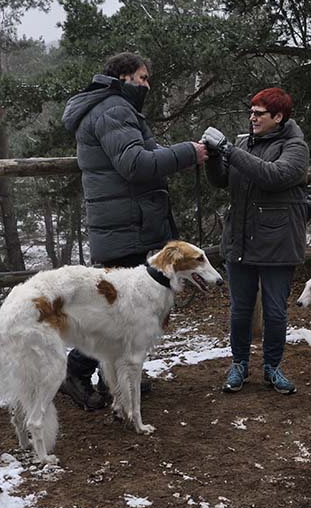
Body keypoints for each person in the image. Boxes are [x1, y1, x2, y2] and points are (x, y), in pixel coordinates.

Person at [60, 52, 209, 410]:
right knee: (114, 311)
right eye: (142, 78)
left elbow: (141, 153)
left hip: (125, 222)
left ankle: (114, 377)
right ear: (123, 77)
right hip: (125, 224)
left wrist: (173, 153)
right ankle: (75, 372)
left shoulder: (110, 107)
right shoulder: (114, 109)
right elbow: (134, 163)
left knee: (118, 309)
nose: (147, 85)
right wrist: (187, 153)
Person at [202, 88, 311, 395]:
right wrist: (214, 156)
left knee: (275, 312)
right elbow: (221, 181)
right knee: (240, 310)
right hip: (240, 239)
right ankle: (239, 365)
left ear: (278, 117)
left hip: (279, 243)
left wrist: (228, 150)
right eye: (250, 112)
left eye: (259, 113)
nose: (252, 117)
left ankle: (272, 367)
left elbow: (273, 176)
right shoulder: (243, 143)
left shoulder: (295, 147)